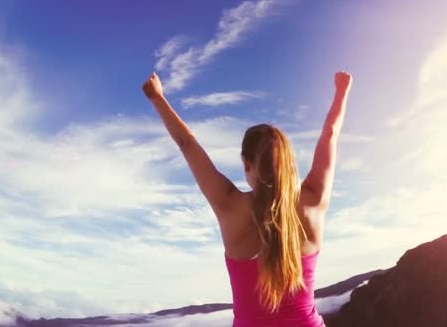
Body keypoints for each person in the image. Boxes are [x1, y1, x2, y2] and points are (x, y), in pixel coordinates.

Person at [142, 70, 352, 327]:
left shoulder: (230, 206)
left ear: (246, 163)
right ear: (288, 164)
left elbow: (187, 143)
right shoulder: (312, 201)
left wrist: (157, 97)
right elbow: (330, 134)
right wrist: (342, 90)